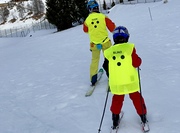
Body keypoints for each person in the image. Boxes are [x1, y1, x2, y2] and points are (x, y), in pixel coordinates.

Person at [104, 26, 148, 129]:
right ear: (127, 37)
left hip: (117, 82)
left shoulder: (109, 51)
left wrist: (111, 75)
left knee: (117, 99)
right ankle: (143, 117)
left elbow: (105, 66)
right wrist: (139, 60)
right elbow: (136, 63)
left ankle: (115, 119)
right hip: (130, 80)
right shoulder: (129, 48)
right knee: (136, 97)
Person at [83, 0, 116, 86]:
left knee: (94, 60)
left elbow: (85, 30)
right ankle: (111, 75)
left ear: (89, 9)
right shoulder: (103, 17)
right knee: (109, 58)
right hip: (105, 42)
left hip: (94, 44)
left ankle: (93, 78)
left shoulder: (87, 20)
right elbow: (112, 28)